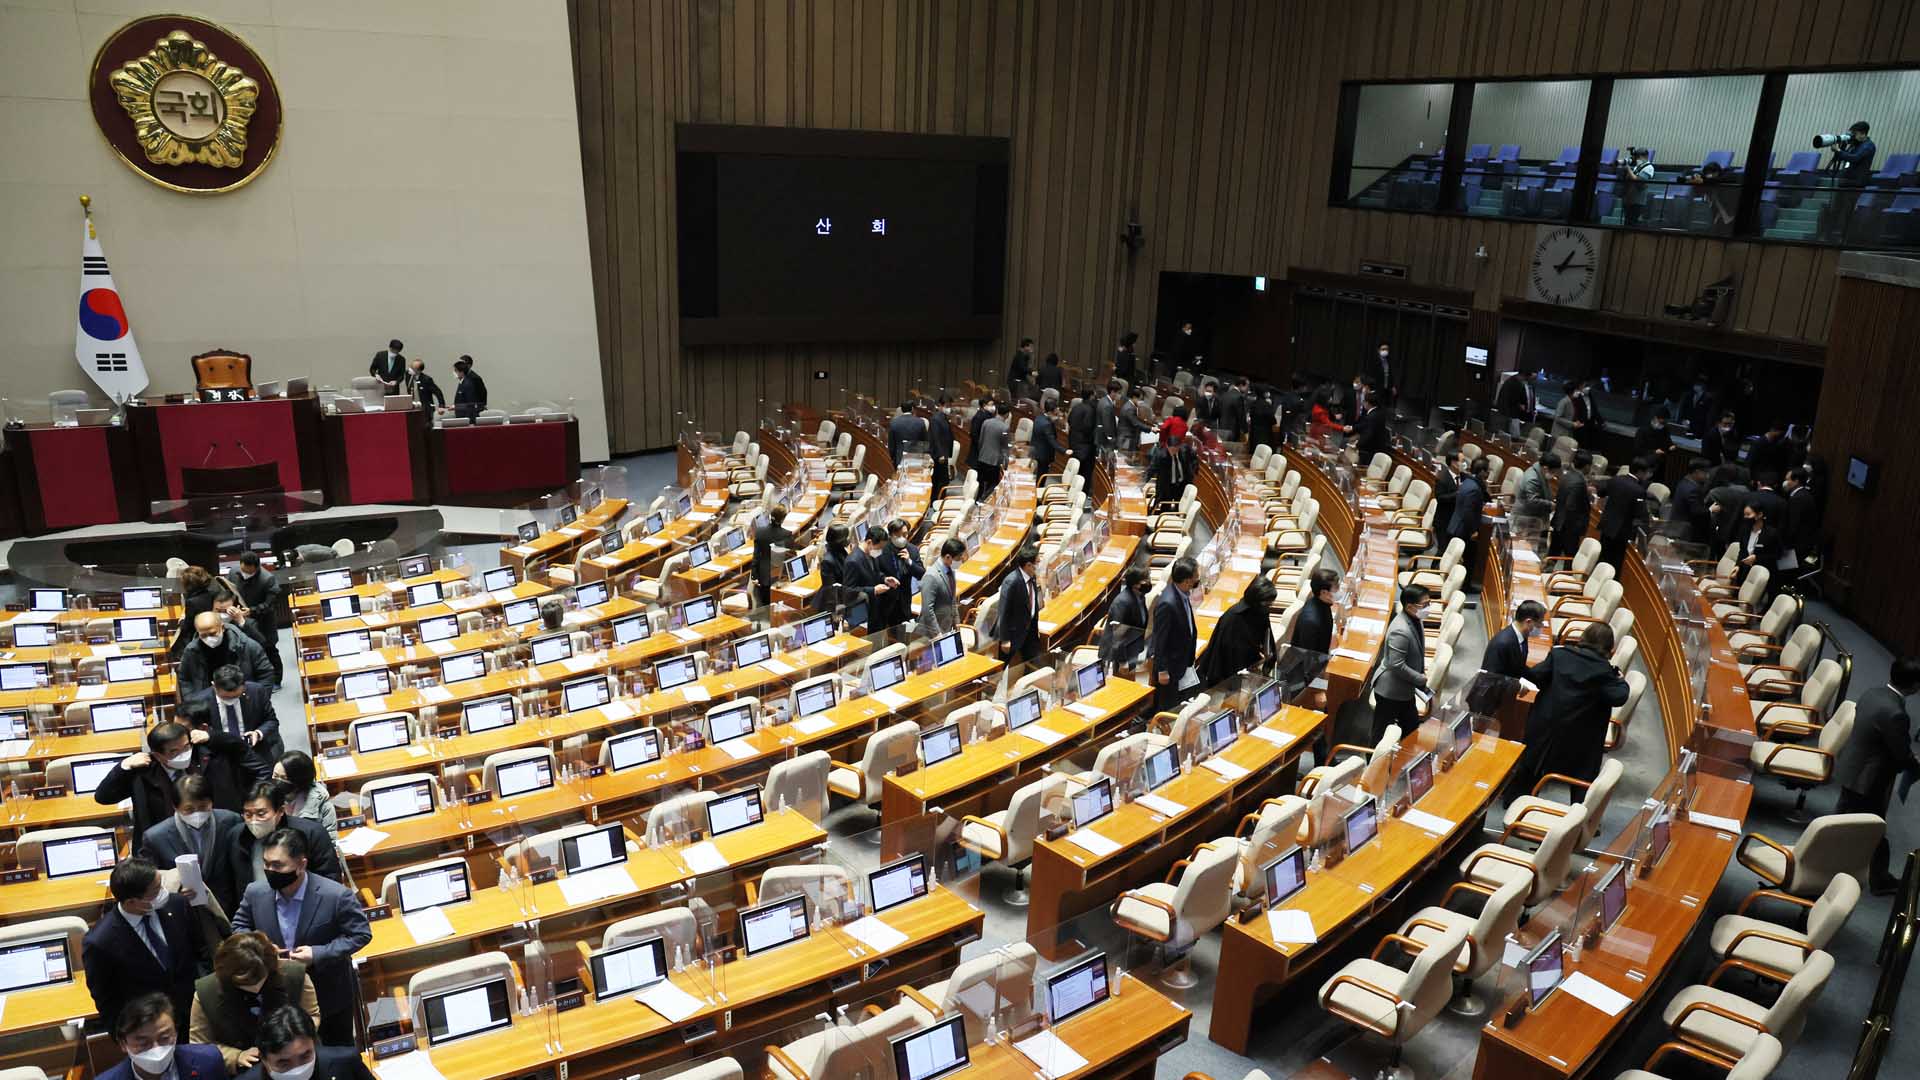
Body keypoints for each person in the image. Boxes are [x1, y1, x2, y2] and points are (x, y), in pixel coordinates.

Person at [230, 829, 371, 1045]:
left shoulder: (335, 895)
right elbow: (239, 926)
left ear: (301, 865)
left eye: (278, 865)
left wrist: (317, 953)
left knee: (336, 1054)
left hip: (328, 994)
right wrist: (260, 946)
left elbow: (360, 934)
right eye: (266, 864)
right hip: (276, 995)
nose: (269, 871)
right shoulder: (255, 892)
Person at [83, 858, 204, 1032]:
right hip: (150, 1030)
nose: (163, 893)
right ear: (131, 901)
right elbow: (107, 1002)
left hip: (194, 1016)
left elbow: (200, 952)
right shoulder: (100, 943)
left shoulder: (177, 905)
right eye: (156, 891)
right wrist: (126, 1039)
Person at [1835, 657, 1920, 895]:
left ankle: (1830, 863)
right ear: (1914, 686)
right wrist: (1914, 763)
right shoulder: (1895, 713)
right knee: (1874, 829)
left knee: (1841, 820)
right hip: (1868, 780)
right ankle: (1880, 879)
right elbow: (1900, 753)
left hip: (1852, 767)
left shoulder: (1872, 693)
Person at [1512, 621, 1630, 793]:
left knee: (1529, 764)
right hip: (1580, 741)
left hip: (1544, 728)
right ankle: (1578, 810)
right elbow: (1620, 697)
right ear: (1610, 649)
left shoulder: (1560, 655)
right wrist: (1620, 679)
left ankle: (1514, 798)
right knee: (1583, 772)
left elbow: (1536, 677)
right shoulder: (1605, 672)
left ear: (1583, 638)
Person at [98, 720, 255, 837]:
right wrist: (123, 767)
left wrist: (212, 736)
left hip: (214, 833)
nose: (184, 753)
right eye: (174, 751)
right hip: (167, 841)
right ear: (157, 755)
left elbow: (241, 749)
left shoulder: (206, 757)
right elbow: (103, 797)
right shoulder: (142, 773)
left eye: (186, 747)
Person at [190, 933, 319, 1072]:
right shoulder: (205, 993)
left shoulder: (295, 975)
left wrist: (292, 1044)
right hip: (245, 1070)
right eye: (246, 983)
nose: (256, 987)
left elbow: (312, 1015)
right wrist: (235, 1056)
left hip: (298, 1060)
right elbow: (200, 1045)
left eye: (260, 978)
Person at [142, 775, 247, 915]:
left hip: (229, 908)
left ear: (211, 801)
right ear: (175, 807)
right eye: (189, 809)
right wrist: (174, 893)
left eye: (203, 807)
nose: (197, 813)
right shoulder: (155, 837)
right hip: (185, 912)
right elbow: (148, 882)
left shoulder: (231, 821)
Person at [234, 783, 345, 889]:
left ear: (280, 811)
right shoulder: (236, 837)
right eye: (248, 815)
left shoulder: (312, 834)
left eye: (261, 814)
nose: (254, 821)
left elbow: (330, 880)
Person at [97, 993, 226, 1080]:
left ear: (175, 1033)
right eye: (143, 1043)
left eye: (164, 1038)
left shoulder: (209, 1061)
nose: (156, 1049)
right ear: (123, 1044)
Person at [238, 1004, 376, 1080]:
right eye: (284, 1063)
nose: (297, 1069)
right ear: (263, 1059)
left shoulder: (346, 1063)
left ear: (314, 1043)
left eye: (305, 1056)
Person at [1370, 585, 1429, 739]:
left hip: (1405, 689)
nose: (1428, 608)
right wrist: (1419, 678)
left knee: (1411, 729)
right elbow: (1396, 664)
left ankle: (1406, 760)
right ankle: (1373, 762)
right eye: (1425, 605)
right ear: (1410, 607)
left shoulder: (1416, 618)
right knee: (1380, 733)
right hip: (1390, 691)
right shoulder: (1400, 630)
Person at [1196, 577, 1277, 686]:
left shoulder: (1260, 611)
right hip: (1229, 672)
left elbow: (1267, 639)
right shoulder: (1233, 618)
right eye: (1267, 603)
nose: (1269, 607)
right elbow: (1226, 656)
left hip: (1249, 665)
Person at [179, 611, 274, 702]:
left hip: (243, 698)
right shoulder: (191, 651)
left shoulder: (246, 645)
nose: (209, 638)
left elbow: (265, 673)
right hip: (209, 703)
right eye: (203, 635)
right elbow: (185, 679)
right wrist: (194, 703)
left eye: (212, 634)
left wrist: (258, 700)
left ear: (222, 627)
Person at [1149, 558, 1201, 710]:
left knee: (1179, 701)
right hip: (1170, 666)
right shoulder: (1167, 603)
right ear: (1186, 581)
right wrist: (1162, 670)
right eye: (1195, 578)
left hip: (1182, 660)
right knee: (1168, 704)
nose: (1198, 580)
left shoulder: (1181, 593)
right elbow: (1160, 640)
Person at [226, 553, 284, 685]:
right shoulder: (234, 572)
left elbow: (270, 604)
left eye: (249, 572)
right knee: (247, 649)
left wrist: (251, 610)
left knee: (270, 650)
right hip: (242, 620)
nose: (245, 574)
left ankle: (277, 680)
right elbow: (228, 591)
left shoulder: (268, 579)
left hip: (264, 621)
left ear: (257, 567)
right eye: (243, 570)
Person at [207, 665, 281, 766]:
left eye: (236, 696)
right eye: (225, 697)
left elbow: (271, 720)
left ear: (244, 686)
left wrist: (258, 733)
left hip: (254, 750)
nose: (231, 701)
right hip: (221, 756)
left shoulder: (256, 691)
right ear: (214, 686)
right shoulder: (200, 701)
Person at [1597, 456, 1654, 571]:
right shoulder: (1638, 490)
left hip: (1606, 527)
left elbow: (1601, 492)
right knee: (1615, 565)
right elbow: (1641, 516)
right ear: (1640, 472)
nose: (1648, 476)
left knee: (1602, 559)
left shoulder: (1616, 479)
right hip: (1621, 532)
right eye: (1647, 473)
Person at [1823, 121, 1876, 240]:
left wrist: (1839, 151)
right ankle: (1829, 236)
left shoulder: (1868, 146)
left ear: (1863, 134)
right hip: (1845, 181)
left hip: (1855, 184)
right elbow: (1844, 156)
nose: (1853, 136)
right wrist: (1840, 149)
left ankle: (1844, 238)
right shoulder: (1854, 145)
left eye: (1855, 133)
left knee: (1847, 212)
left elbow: (1855, 158)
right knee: (1835, 210)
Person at [993, 545, 1044, 664]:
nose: (1040, 564)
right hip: (1013, 633)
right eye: (1037, 562)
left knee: (1034, 664)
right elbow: (1003, 611)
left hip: (1029, 631)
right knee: (1004, 669)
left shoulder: (1032, 576)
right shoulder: (1011, 582)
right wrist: (1005, 639)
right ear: (1028, 565)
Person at [272, 753, 338, 843]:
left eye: (283, 778)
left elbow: (330, 842)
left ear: (299, 780)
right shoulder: (269, 798)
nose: (277, 781)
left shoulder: (323, 806)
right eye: (275, 776)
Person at [843, 528, 896, 635]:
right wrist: (873, 590)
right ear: (869, 542)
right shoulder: (853, 561)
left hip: (876, 607)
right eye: (879, 547)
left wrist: (885, 579)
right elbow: (848, 590)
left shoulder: (872, 554)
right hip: (862, 610)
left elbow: (875, 573)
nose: (880, 551)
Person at [1447, 457, 1493, 579]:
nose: (1489, 473)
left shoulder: (1468, 482)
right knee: (1469, 560)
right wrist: (1473, 531)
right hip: (1463, 530)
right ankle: (1465, 586)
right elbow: (1468, 512)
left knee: (1459, 559)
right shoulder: (1474, 488)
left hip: (1457, 526)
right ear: (1482, 471)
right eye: (1488, 470)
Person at [874, 517, 923, 632]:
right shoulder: (880, 549)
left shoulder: (913, 550)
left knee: (902, 635)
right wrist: (885, 579)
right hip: (884, 601)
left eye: (905, 535)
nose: (902, 538)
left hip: (904, 601)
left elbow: (921, 574)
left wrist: (909, 562)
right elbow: (872, 572)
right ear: (890, 535)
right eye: (898, 535)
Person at [1098, 568, 1150, 671]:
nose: (1148, 582)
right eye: (1145, 580)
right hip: (1119, 653)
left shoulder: (1140, 596)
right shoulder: (1122, 603)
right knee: (1122, 681)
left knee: (1131, 677)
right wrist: (1123, 662)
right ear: (1135, 584)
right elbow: (1118, 635)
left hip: (1132, 644)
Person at [917, 538, 965, 638]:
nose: (961, 560)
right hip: (930, 633)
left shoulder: (950, 572)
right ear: (948, 557)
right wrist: (937, 633)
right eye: (959, 557)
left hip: (945, 628)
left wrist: (957, 623)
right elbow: (927, 609)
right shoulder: (931, 576)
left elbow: (952, 601)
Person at [170, 566, 219, 661]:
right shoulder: (213, 594)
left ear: (188, 584)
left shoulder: (192, 601)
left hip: (198, 638)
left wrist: (181, 622)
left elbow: (188, 627)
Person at [1485, 601, 1544, 679]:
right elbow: (1490, 678)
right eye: (1539, 623)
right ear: (1528, 622)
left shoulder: (1522, 635)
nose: (1541, 626)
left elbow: (1519, 666)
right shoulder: (1501, 644)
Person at [1549, 450, 1591, 559]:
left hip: (1559, 522)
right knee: (1570, 559)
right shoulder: (1579, 482)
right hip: (1569, 528)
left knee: (1553, 555)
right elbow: (1571, 506)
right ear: (1587, 466)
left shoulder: (1567, 475)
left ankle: (1546, 572)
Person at [1782, 466, 1820, 582]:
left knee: (1784, 575)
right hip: (1801, 543)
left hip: (1796, 545)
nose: (1785, 482)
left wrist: (1784, 545)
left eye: (1788, 479)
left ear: (1796, 481)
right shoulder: (1803, 495)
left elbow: (1793, 526)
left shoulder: (1798, 499)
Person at [1734, 497, 1782, 589]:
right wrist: (1737, 565)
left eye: (1748, 514)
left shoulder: (1771, 533)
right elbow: (1742, 550)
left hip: (1762, 574)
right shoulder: (1744, 530)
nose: (1745, 517)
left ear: (1759, 514)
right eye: (1744, 515)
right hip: (1745, 572)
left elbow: (1778, 555)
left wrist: (1757, 558)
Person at [1148, 423, 1197, 509]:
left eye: (1176, 450)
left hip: (1182, 484)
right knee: (1164, 507)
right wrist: (1143, 482)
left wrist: (1193, 471)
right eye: (1171, 450)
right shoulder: (1161, 455)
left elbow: (1194, 457)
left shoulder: (1185, 449)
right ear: (1167, 446)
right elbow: (1152, 469)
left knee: (1181, 507)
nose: (1173, 452)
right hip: (1167, 485)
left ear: (1179, 446)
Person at [1670, 457, 1714, 541]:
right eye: (1706, 473)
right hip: (1686, 531)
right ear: (1697, 472)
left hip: (1676, 524)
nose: (1708, 476)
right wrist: (1711, 510)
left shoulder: (1684, 481)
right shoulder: (1693, 489)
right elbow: (1697, 512)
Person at [973, 401, 1009, 500]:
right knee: (992, 485)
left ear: (997, 411)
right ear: (1007, 414)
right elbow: (1004, 448)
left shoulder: (986, 422)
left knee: (981, 483)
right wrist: (1006, 464)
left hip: (982, 458)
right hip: (994, 462)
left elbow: (981, 440)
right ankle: (984, 502)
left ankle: (978, 501)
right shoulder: (1004, 428)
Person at [814, 522, 852, 613]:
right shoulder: (828, 561)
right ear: (839, 540)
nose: (848, 539)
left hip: (843, 595)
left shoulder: (841, 551)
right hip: (832, 604)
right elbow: (830, 589)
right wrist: (837, 609)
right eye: (845, 537)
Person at [1515, 452, 1559, 525]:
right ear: (1545, 468)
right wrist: (1550, 504)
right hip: (1527, 519)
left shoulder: (1540, 472)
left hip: (1533, 516)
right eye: (1553, 472)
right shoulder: (1533, 478)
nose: (1554, 475)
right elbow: (1533, 501)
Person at [1431, 450, 1462, 548]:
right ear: (1453, 463)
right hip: (1443, 521)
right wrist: (1457, 494)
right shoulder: (1443, 478)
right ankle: (1435, 564)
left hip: (1454, 521)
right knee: (1442, 551)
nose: (1464, 464)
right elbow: (1439, 497)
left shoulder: (1462, 477)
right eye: (1462, 461)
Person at [1617, 147, 1655, 227]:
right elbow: (1630, 178)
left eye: (1638, 157)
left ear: (1643, 157)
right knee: (1627, 222)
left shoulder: (1649, 167)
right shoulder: (1637, 167)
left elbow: (1638, 180)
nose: (1636, 159)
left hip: (1638, 201)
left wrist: (1628, 169)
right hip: (1630, 198)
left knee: (1632, 223)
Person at [1351, 389, 1391, 460]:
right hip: (1378, 448)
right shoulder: (1379, 412)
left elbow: (1368, 434)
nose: (1363, 403)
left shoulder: (1371, 416)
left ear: (1368, 403)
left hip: (1370, 451)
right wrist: (1353, 428)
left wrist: (1357, 445)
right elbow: (1365, 425)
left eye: (1364, 401)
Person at [927, 394, 955, 495]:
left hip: (943, 452)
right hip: (940, 454)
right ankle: (938, 499)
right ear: (940, 405)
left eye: (950, 405)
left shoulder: (943, 417)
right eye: (947, 406)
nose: (949, 408)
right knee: (942, 479)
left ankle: (937, 498)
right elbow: (936, 437)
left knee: (940, 478)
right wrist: (941, 454)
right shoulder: (936, 418)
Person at [1066, 388, 1097, 473]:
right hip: (1085, 447)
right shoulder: (1090, 409)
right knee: (1084, 473)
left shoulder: (1076, 407)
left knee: (1073, 470)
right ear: (1091, 396)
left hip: (1073, 443)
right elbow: (1088, 427)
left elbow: (1069, 420)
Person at [1029, 397, 1063, 476]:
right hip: (1044, 455)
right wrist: (1064, 451)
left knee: (1036, 475)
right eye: (1057, 407)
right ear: (1053, 410)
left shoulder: (1039, 418)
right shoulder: (1047, 424)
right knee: (1041, 477)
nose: (1058, 409)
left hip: (1035, 451)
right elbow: (1052, 441)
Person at [886, 402, 925, 467]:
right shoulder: (920, 422)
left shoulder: (894, 422)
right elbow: (924, 442)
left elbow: (891, 445)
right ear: (912, 409)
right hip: (916, 458)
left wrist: (892, 458)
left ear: (901, 409)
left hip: (900, 458)